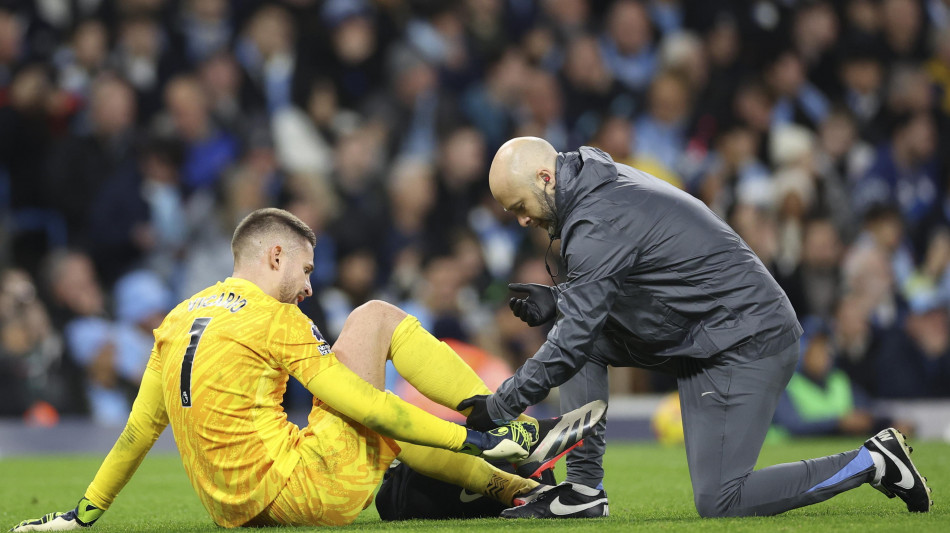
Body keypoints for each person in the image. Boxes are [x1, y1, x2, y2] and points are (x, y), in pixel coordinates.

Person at [10, 207, 605, 531]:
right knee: (374, 319)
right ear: (274, 257)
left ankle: (524, 486)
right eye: (306, 269)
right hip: (306, 496)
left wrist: (83, 515)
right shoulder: (274, 317)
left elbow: (139, 431)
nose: (309, 286)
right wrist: (474, 437)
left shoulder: (178, 318)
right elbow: (368, 406)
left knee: (363, 423)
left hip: (234, 513)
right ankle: (507, 426)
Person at [461, 137, 933, 518]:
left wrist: (503, 405)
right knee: (579, 331)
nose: (522, 219)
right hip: (703, 332)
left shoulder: (597, 217)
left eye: (518, 205)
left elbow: (575, 338)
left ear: (546, 178)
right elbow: (650, 276)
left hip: (747, 339)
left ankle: (873, 461)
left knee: (723, 499)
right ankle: (584, 490)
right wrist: (563, 299)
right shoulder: (595, 184)